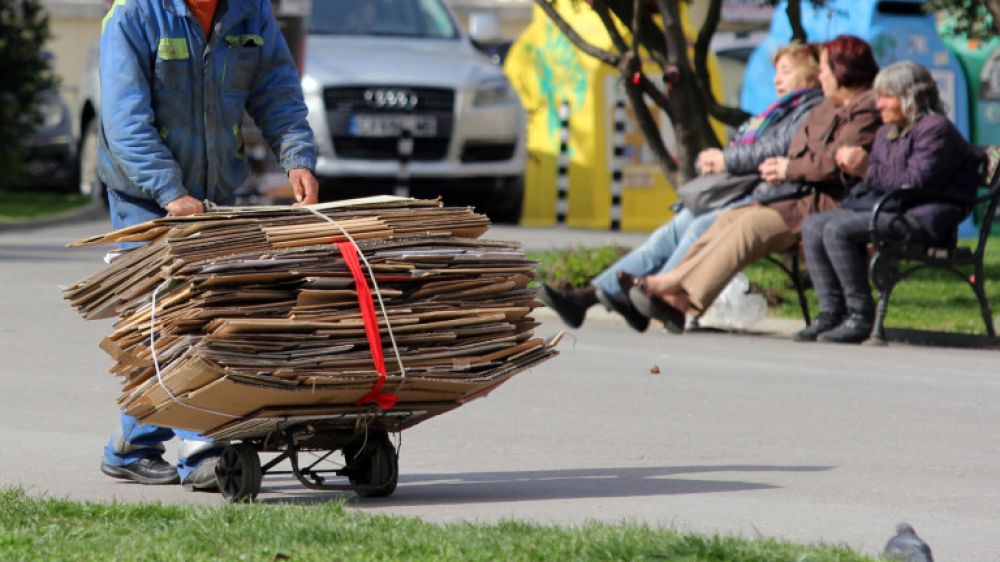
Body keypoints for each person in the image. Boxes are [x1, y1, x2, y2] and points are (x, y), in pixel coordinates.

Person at [97, 0, 319, 490]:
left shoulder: (250, 11)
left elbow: (277, 88)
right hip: (144, 194)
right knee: (172, 319)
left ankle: (132, 445)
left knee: (205, 313)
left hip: (214, 194)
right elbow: (123, 116)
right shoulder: (133, 14)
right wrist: (169, 191)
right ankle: (202, 447)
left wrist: (297, 157)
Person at [538, 44, 824, 332]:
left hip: (766, 198)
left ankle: (649, 296)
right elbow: (757, 146)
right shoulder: (784, 109)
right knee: (673, 229)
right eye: (776, 72)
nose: (776, 79)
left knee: (699, 226)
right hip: (745, 191)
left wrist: (724, 160)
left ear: (813, 75)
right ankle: (587, 298)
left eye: (786, 71)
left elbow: (774, 150)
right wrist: (719, 159)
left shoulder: (810, 109)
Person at [625, 35, 882, 332]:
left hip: (828, 201)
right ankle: (677, 300)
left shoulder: (865, 109)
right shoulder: (827, 107)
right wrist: (788, 167)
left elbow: (835, 165)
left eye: (825, 67)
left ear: (843, 70)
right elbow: (801, 149)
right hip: (797, 196)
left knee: (747, 228)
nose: (821, 74)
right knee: (726, 221)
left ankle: (671, 286)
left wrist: (789, 168)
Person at [794, 61, 982, 343]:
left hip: (924, 219)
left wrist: (866, 168)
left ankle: (860, 316)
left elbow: (915, 183)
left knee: (837, 230)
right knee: (814, 225)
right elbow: (878, 182)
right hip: (891, 210)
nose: (879, 105)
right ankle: (831, 312)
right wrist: (853, 172)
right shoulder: (886, 132)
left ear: (910, 97)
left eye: (886, 97)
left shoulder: (935, 130)